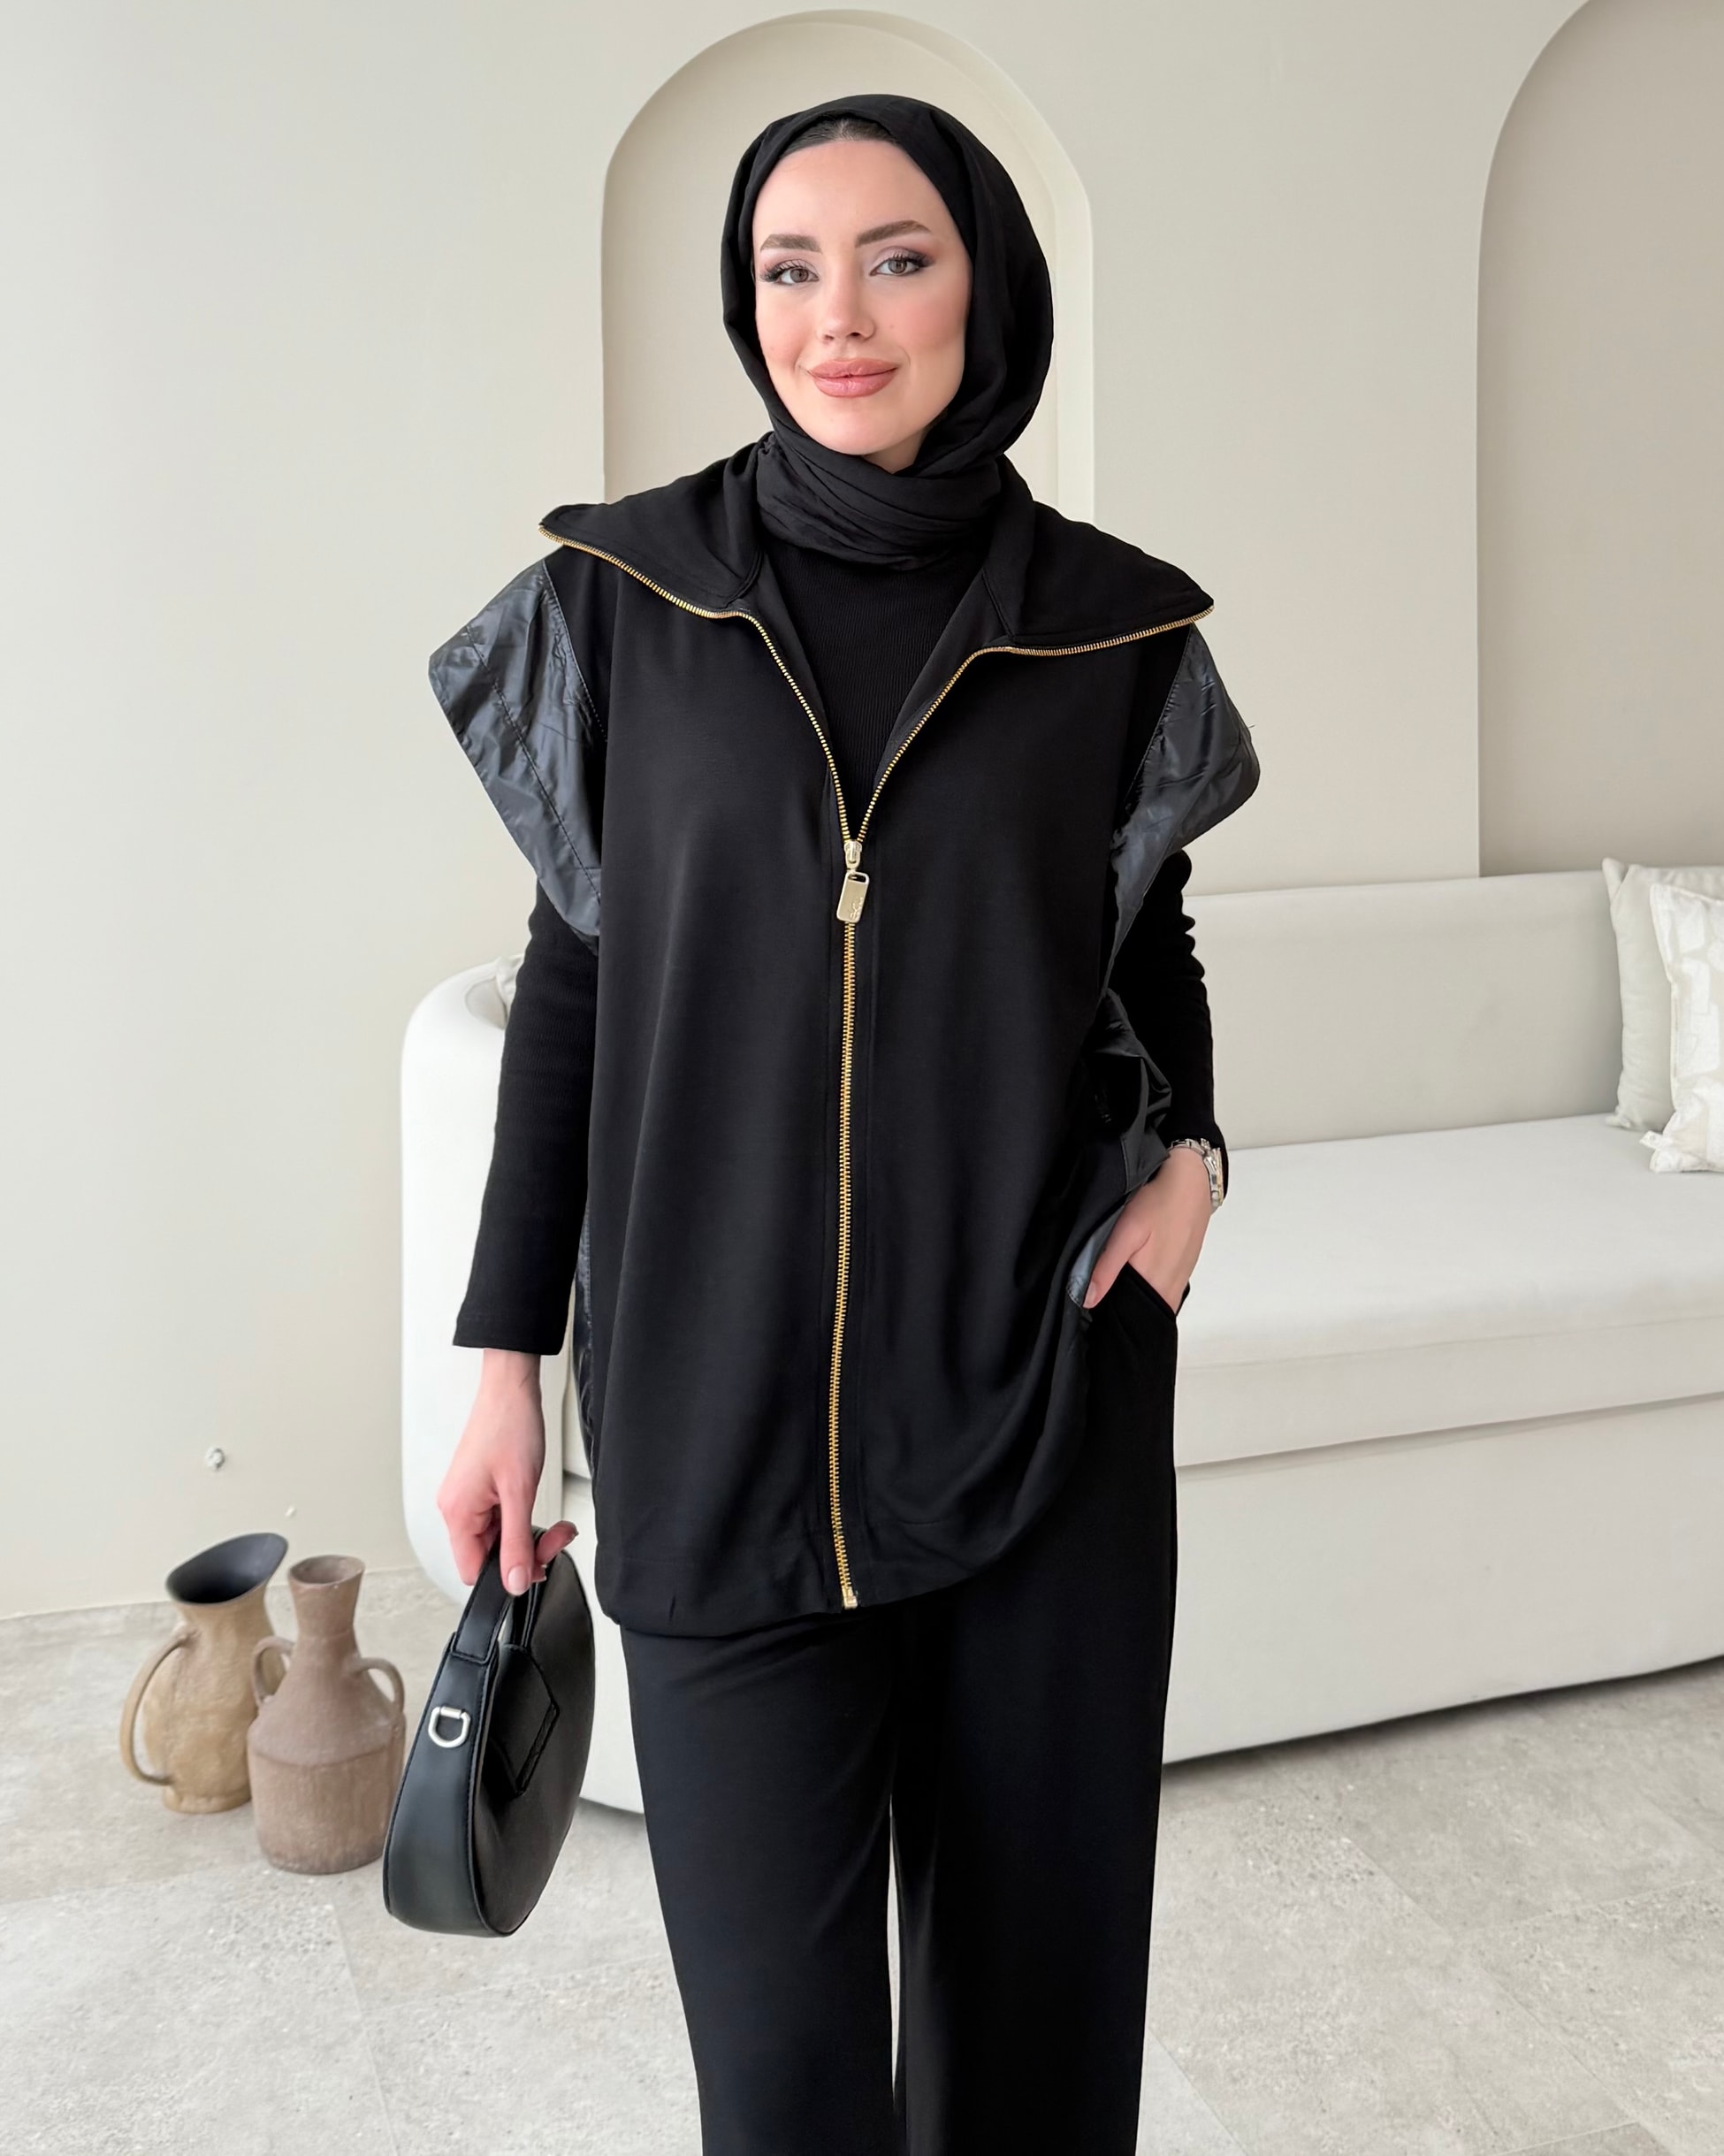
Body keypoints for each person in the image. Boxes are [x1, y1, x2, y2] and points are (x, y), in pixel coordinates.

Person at [428, 93, 1259, 2156]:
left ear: (988, 287)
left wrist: (1193, 1169)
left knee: (1035, 2062)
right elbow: (575, 985)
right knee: (787, 2088)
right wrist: (504, 1362)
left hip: (1042, 1413)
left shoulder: (1110, 627)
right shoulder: (624, 603)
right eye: (789, 269)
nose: (841, 318)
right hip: (715, 1430)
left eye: (898, 260)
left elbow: (1148, 943)